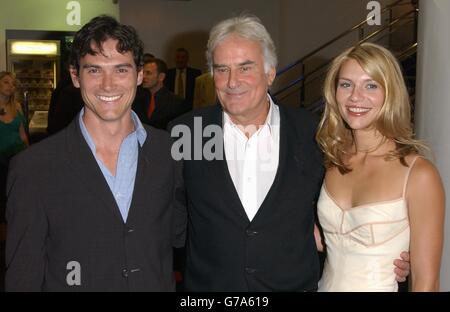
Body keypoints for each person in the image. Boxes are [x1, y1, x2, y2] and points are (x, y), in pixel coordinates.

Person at [169, 15, 410, 291]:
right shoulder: (188, 132)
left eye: (245, 67)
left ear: (270, 72)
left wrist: (390, 251)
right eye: (222, 69)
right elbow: (168, 219)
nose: (232, 81)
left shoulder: (315, 134)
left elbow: (351, 206)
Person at [5, 15, 186, 291]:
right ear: (76, 76)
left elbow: (184, 237)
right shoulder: (33, 168)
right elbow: (23, 276)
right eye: (94, 70)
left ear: (139, 75)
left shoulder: (170, 153)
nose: (108, 84)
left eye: (121, 70)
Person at [315, 42, 445, 291]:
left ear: (390, 93)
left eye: (370, 85)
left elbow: (426, 282)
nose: (355, 96)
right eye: (346, 84)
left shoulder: (418, 175)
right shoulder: (331, 159)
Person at [0, 71, 29, 223]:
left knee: (15, 197)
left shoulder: (16, 106)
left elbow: (23, 135)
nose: (10, 86)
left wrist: (29, 155)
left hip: (16, 158)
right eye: (6, 82)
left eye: (12, 84)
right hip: (1, 160)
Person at [133, 58, 185, 129]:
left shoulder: (176, 102)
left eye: (148, 73)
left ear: (161, 77)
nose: (143, 77)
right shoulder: (136, 99)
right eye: (143, 73)